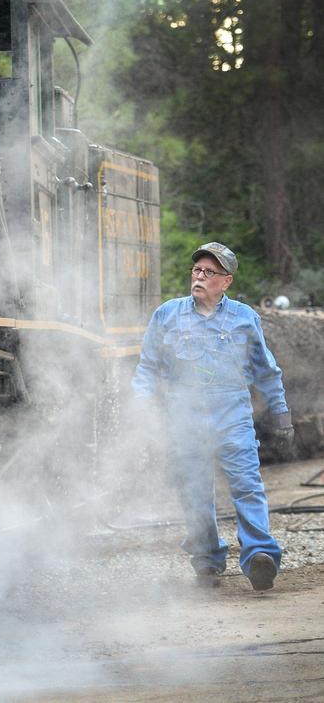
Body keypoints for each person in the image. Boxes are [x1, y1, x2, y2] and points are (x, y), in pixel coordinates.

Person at [132, 242, 294, 590]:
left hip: (231, 415)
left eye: (209, 273)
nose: (200, 277)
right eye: (197, 271)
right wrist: (140, 406)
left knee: (247, 485)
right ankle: (206, 559)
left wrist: (281, 414)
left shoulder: (244, 318)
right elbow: (147, 367)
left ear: (226, 281)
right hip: (184, 417)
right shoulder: (167, 315)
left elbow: (267, 371)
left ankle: (259, 558)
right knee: (195, 492)